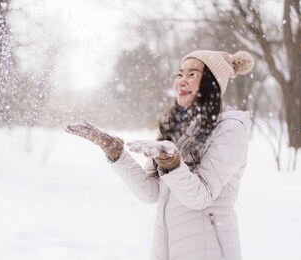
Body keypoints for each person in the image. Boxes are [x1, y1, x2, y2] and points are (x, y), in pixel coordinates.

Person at [66, 50, 254, 260]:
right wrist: (114, 151)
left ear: (213, 83)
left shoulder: (230, 129)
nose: (182, 80)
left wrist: (172, 163)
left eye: (192, 74)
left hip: (209, 249)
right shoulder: (174, 126)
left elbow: (201, 197)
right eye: (180, 74)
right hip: (167, 247)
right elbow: (151, 192)